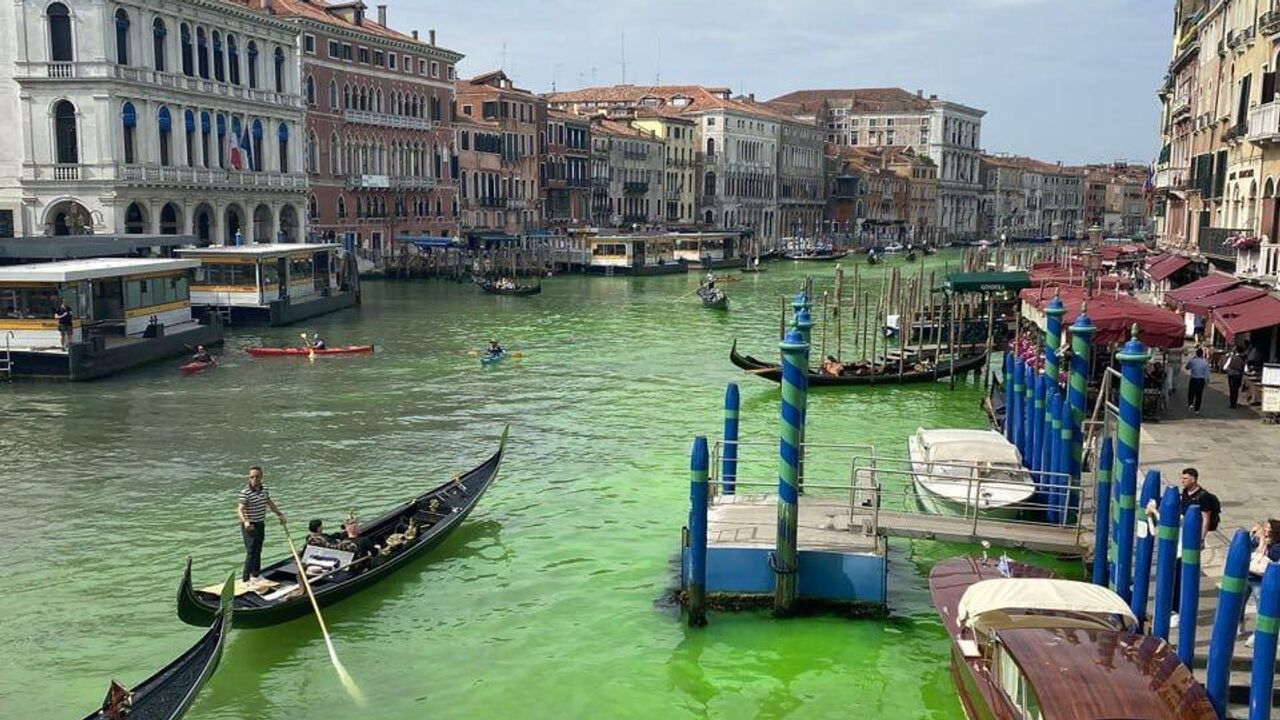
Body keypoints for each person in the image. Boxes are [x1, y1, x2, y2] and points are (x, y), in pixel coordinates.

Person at [236, 466, 286, 585]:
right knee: (251, 551)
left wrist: (279, 514)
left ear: (261, 477)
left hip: (260, 524)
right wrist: (246, 521)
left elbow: (269, 503)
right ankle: (245, 579)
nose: (254, 479)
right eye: (252, 477)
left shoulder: (265, 490)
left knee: (258, 550)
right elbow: (239, 509)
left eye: (257, 476)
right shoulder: (245, 493)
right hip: (249, 525)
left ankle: (256, 575)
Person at [1242, 519, 1280, 647]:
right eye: (1265, 526)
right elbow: (1247, 547)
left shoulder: (1277, 546)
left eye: (1268, 527)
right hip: (1248, 576)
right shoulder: (1259, 539)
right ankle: (1239, 623)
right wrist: (1253, 533)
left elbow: (1266, 556)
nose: (1265, 529)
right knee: (1239, 604)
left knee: (1261, 610)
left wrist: (1263, 540)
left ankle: (1257, 636)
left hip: (1260, 580)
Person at [1185, 348, 1210, 415]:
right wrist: (1207, 380)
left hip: (1194, 379)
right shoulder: (1205, 362)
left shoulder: (1192, 360)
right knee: (1199, 395)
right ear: (1202, 354)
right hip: (1201, 380)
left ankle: (1190, 404)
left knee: (1191, 393)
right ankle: (1197, 409)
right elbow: (1207, 373)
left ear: (1196, 354)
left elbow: (1187, 367)